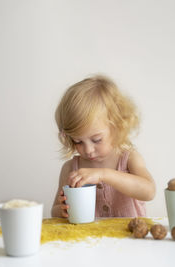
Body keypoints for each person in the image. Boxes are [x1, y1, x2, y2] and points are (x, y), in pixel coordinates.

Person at [51, 75, 155, 218]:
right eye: (78, 142)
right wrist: (62, 210)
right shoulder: (70, 168)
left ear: (117, 127)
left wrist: (103, 175)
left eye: (96, 140)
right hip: (88, 239)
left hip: (129, 238)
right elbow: (55, 210)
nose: (88, 150)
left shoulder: (129, 158)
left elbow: (149, 192)